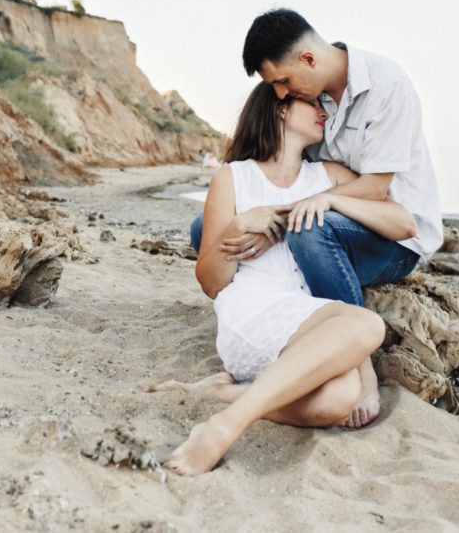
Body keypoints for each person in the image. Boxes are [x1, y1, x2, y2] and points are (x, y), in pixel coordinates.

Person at [189, 8, 443, 426]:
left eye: (285, 83)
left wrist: (287, 215)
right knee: (206, 228)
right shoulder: (319, 96)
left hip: (389, 240)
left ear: (307, 59)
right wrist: (252, 221)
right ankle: (251, 305)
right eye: (279, 92)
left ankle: (361, 366)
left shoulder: (386, 86)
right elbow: (275, 175)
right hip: (330, 226)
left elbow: (378, 190)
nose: (286, 94)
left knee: (309, 230)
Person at [152, 83, 416, 475]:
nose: (324, 111)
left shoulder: (330, 176)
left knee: (340, 398)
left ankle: (226, 394)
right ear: (280, 109)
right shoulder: (232, 178)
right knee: (365, 323)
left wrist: (331, 200)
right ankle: (222, 429)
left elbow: (404, 223)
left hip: (304, 313)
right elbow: (211, 283)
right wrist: (238, 225)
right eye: (312, 103)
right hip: (252, 310)